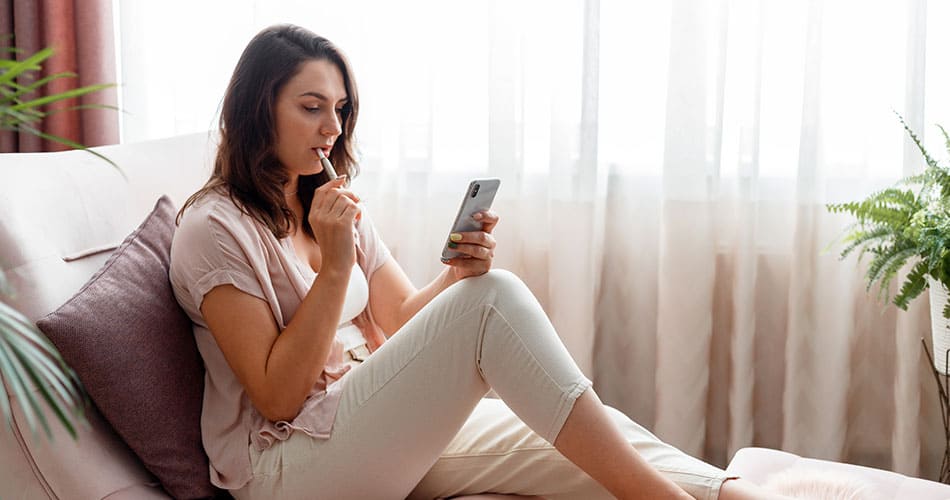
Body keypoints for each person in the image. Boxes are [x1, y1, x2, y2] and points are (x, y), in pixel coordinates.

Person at [169, 23, 787, 500]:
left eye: (341, 109)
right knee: (496, 300)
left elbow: (403, 318)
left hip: (359, 415)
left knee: (565, 428)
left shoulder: (328, 204)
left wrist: (454, 276)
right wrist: (334, 271)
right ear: (257, 109)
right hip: (285, 468)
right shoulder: (213, 228)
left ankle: (730, 492)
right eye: (311, 107)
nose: (332, 127)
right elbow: (277, 396)